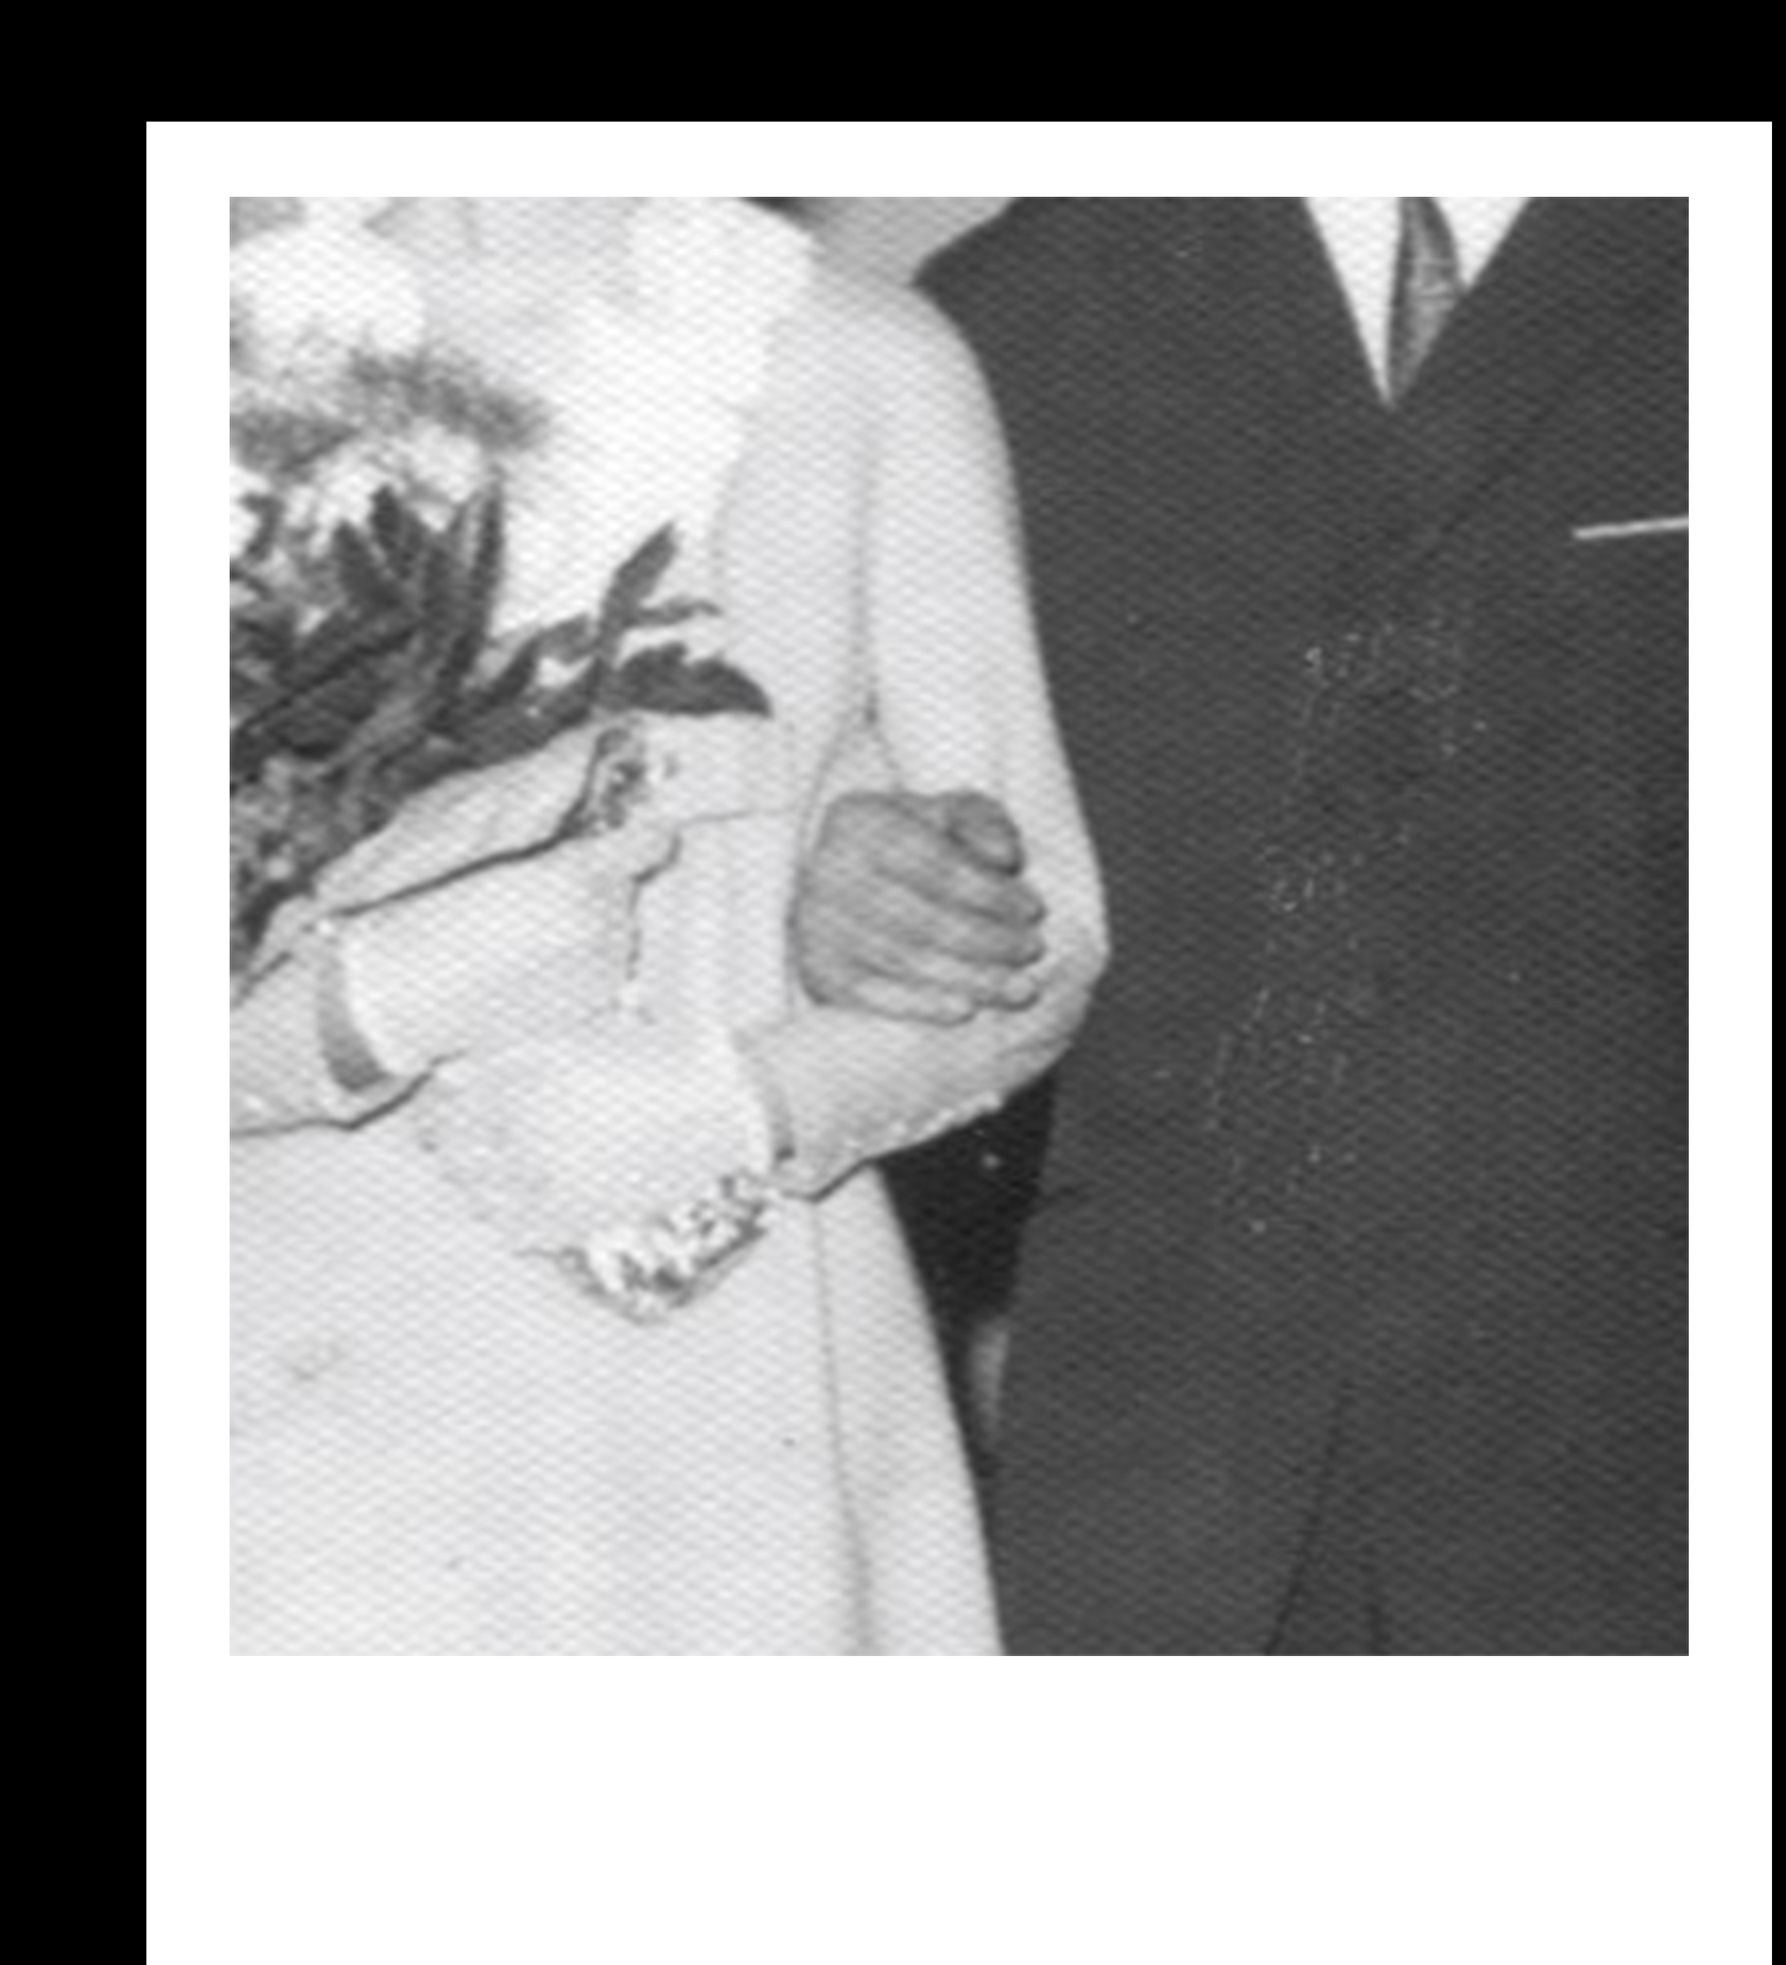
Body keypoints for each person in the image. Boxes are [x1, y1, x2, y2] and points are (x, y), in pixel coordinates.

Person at [799, 200, 1687, 1654]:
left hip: (1646, 1452)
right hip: (1176, 1470)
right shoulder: (1020, 304)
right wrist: (858, 882)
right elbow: (909, 816)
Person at [230, 197, 1104, 1654]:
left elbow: (1042, 928)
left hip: (712, 1363)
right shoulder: (231, 348)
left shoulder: (856, 361)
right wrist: (349, 1014)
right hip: (287, 1382)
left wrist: (751, 1097)